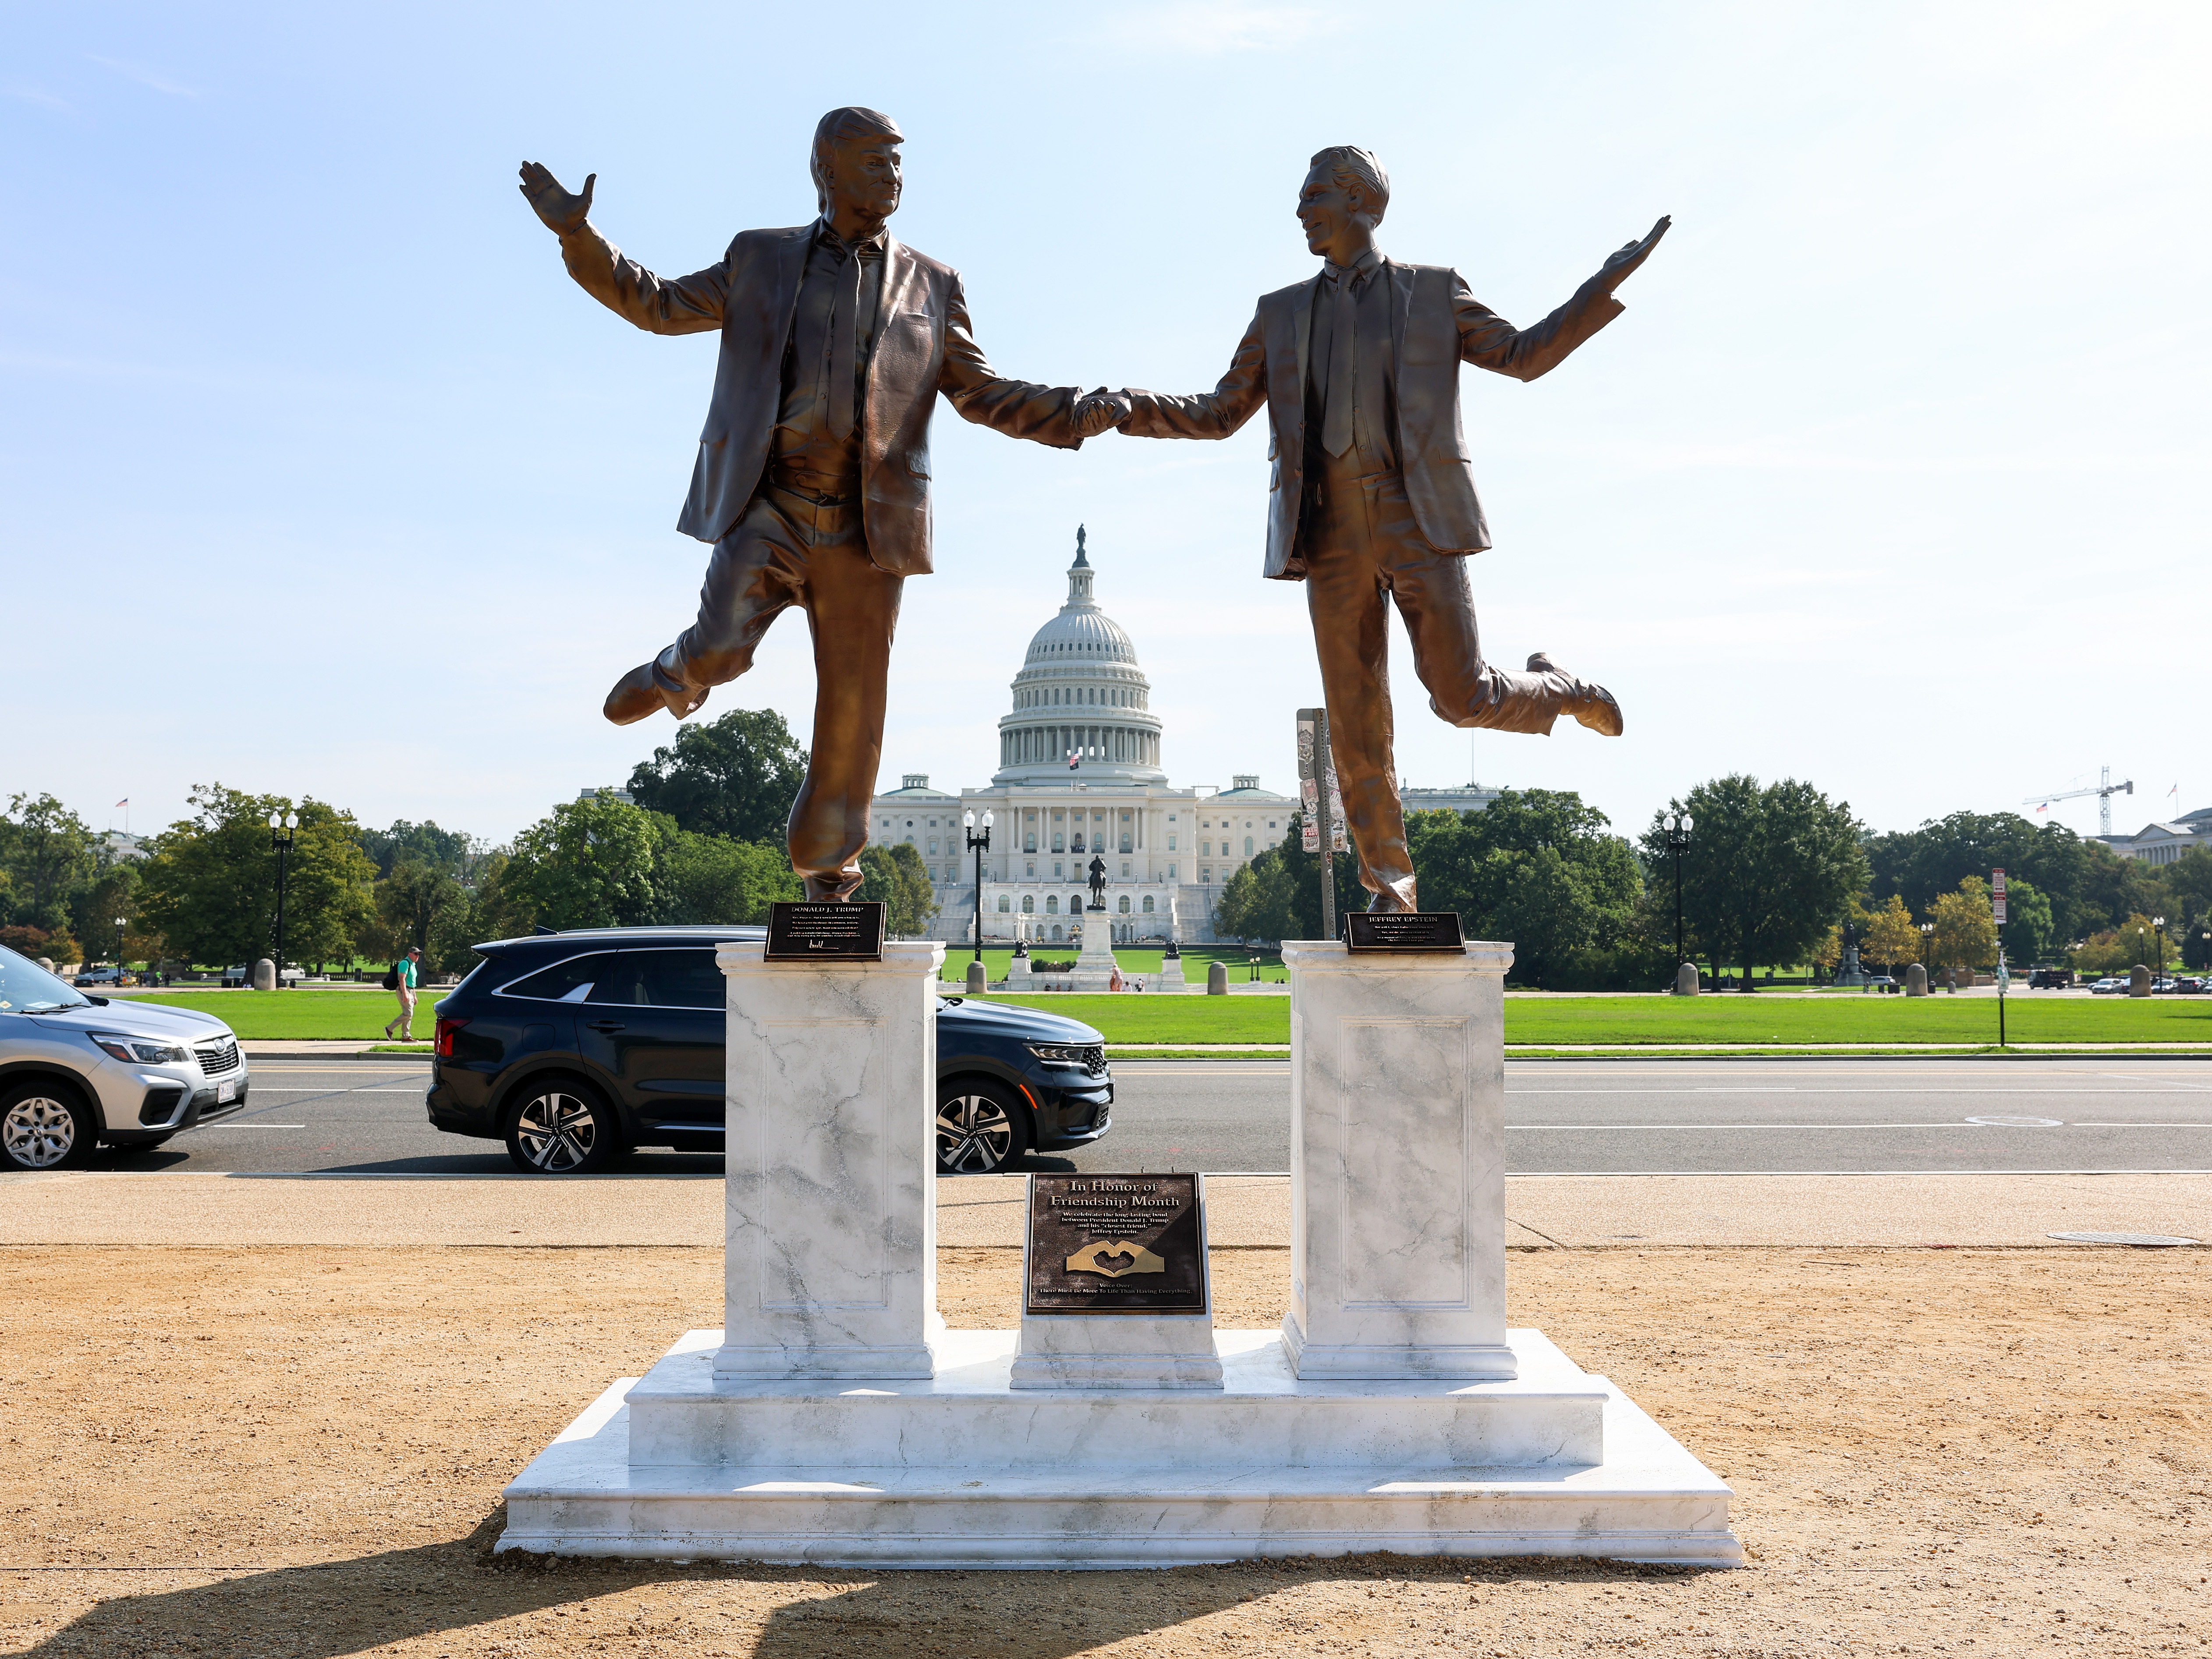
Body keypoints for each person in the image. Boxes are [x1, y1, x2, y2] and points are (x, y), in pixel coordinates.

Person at [1070, 148, 1666, 911]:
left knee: (1458, 697)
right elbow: (1219, 412)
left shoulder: (1432, 293)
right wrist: (1130, 406)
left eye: (1312, 195)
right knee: (1355, 729)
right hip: (1329, 535)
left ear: (1360, 200)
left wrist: (1598, 288)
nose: (1299, 212)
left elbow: (1522, 356)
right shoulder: (1279, 312)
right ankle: (1391, 889)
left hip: (1418, 518)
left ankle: (1562, 689)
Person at [519, 108, 1091, 901]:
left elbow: (984, 393)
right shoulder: (760, 257)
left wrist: (1081, 411)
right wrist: (579, 238)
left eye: (899, 162)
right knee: (723, 650)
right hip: (772, 502)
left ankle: (829, 865)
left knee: (853, 706)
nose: (894, 176)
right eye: (876, 162)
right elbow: (656, 304)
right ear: (826, 168)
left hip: (868, 525)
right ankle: (675, 671)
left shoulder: (933, 282)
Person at [384, 947, 423, 1041]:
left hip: (410, 990)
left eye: (419, 954)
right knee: (408, 1013)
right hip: (403, 990)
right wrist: (405, 994)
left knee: (409, 1014)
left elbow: (412, 982)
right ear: (410, 954)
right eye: (416, 954)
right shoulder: (405, 963)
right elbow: (402, 979)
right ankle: (390, 1028)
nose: (418, 956)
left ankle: (406, 1036)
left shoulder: (413, 965)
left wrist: (414, 995)